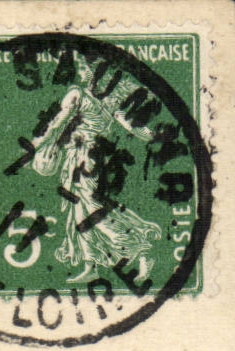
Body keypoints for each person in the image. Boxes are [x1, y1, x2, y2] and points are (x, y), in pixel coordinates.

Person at [28, 58, 161, 283]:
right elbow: (135, 128)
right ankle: (91, 265)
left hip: (83, 162)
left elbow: (55, 124)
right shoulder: (111, 104)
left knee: (91, 212)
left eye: (84, 69)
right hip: (90, 160)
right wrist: (155, 136)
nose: (81, 73)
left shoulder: (77, 95)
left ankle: (139, 249)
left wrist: (35, 147)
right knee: (78, 212)